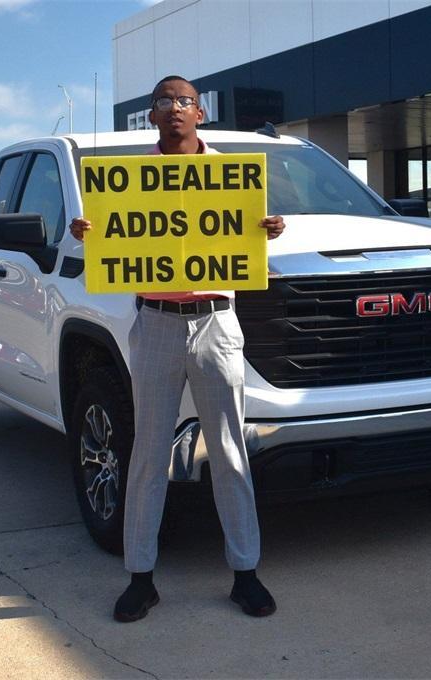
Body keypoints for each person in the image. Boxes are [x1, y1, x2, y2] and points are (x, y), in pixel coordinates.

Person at [70, 75, 285, 622]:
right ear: (150, 115)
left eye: (184, 101)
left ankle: (246, 573)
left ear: (200, 113)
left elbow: (249, 235)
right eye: (163, 101)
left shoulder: (232, 177)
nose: (174, 109)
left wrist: (269, 229)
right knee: (146, 455)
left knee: (231, 452)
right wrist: (89, 233)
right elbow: (112, 238)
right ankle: (140, 578)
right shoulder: (125, 182)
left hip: (216, 322)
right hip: (158, 322)